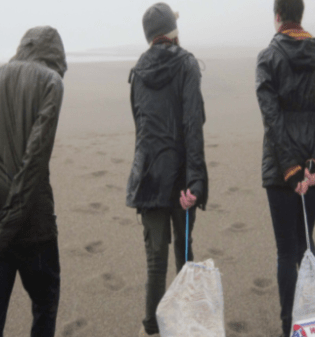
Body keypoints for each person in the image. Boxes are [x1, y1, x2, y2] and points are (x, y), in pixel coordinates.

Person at [0, 26, 67, 337]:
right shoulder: (51, 82)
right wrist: (6, 225)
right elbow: (35, 160)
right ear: (56, 57)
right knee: (45, 304)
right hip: (33, 225)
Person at [255, 0, 315, 335]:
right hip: (309, 169)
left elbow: (271, 118)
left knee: (286, 250)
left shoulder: (268, 57)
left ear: (278, 17)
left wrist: (292, 167)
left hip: (281, 170)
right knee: (304, 243)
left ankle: (291, 325)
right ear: (300, 15)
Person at [126, 3, 209, 336]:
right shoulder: (187, 63)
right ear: (171, 31)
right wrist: (196, 180)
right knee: (183, 252)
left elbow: (140, 126)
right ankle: (184, 321)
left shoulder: (137, 71)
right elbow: (193, 123)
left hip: (147, 176)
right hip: (179, 176)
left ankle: (154, 325)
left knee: (155, 261)